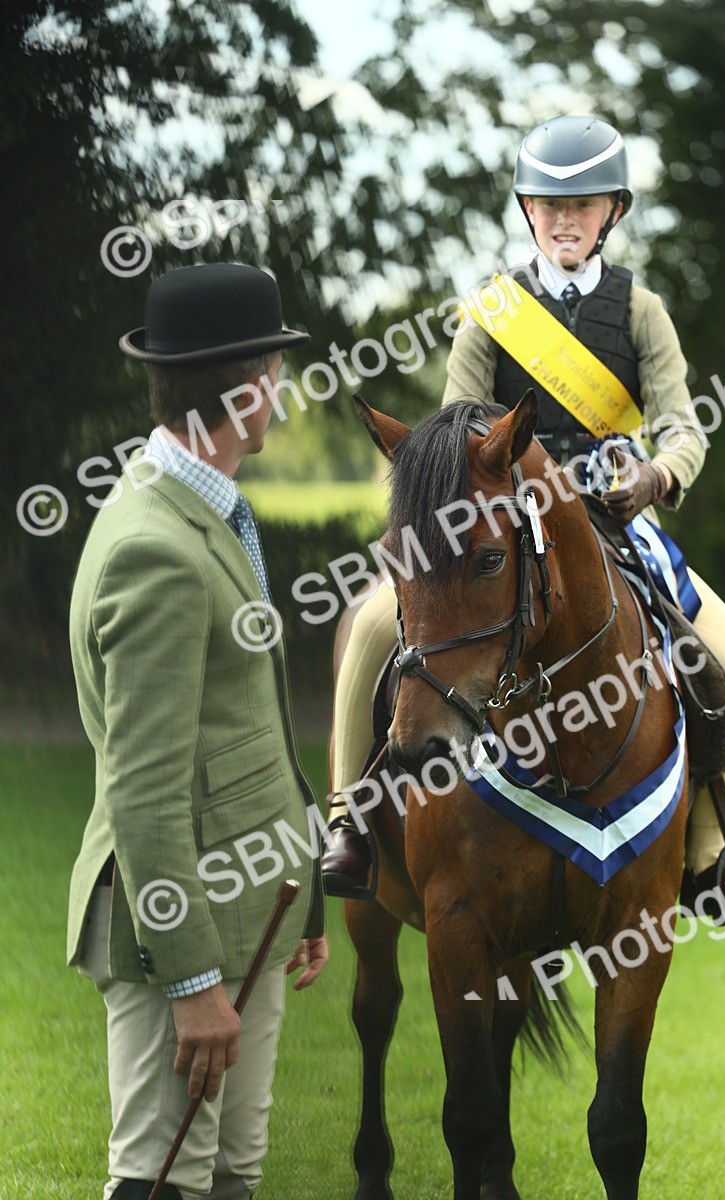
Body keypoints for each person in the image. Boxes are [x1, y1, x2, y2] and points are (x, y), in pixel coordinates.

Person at [322, 115, 725, 922]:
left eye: (584, 205)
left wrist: (660, 470)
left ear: (613, 212)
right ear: (527, 211)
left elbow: (680, 423)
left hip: (612, 517)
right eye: (548, 205)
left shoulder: (643, 311)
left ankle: (708, 860)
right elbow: (451, 432)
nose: (565, 219)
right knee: (367, 627)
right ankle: (349, 821)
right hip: (502, 525)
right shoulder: (492, 312)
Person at [67, 262, 328, 1200]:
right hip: (176, 929)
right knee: (162, 1181)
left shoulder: (199, 504)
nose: (284, 392)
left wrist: (297, 903)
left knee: (231, 1177)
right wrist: (188, 982)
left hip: (248, 908)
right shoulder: (157, 548)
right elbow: (143, 791)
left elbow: (247, 729)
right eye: (276, 369)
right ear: (247, 388)